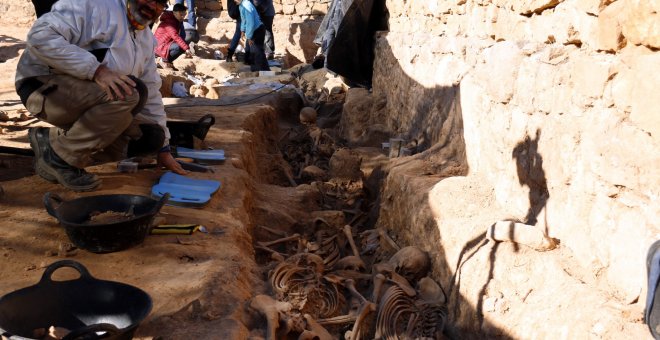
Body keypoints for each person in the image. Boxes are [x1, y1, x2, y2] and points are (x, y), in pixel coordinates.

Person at [16, 0, 187, 192]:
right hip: (41, 85)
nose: (153, 6)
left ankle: (60, 144)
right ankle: (59, 157)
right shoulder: (95, 5)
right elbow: (40, 38)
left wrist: (163, 149)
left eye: (160, 3)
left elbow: (152, 93)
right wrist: (96, 71)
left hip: (87, 98)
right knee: (129, 92)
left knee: (151, 136)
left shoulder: (145, 39)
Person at [154, 3, 193, 70]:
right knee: (180, 47)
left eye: (184, 15)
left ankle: (167, 62)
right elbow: (175, 36)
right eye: (181, 15)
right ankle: (163, 61)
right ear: (174, 13)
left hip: (164, 44)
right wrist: (186, 48)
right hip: (157, 46)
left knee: (182, 45)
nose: (183, 17)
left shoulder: (175, 20)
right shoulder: (169, 22)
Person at [236, 0, 270, 71]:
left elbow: (250, 23)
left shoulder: (246, 6)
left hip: (257, 30)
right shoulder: (241, 5)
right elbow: (243, 19)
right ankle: (265, 70)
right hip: (254, 30)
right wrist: (242, 30)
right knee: (255, 51)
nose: (234, 1)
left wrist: (249, 37)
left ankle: (258, 71)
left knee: (256, 52)